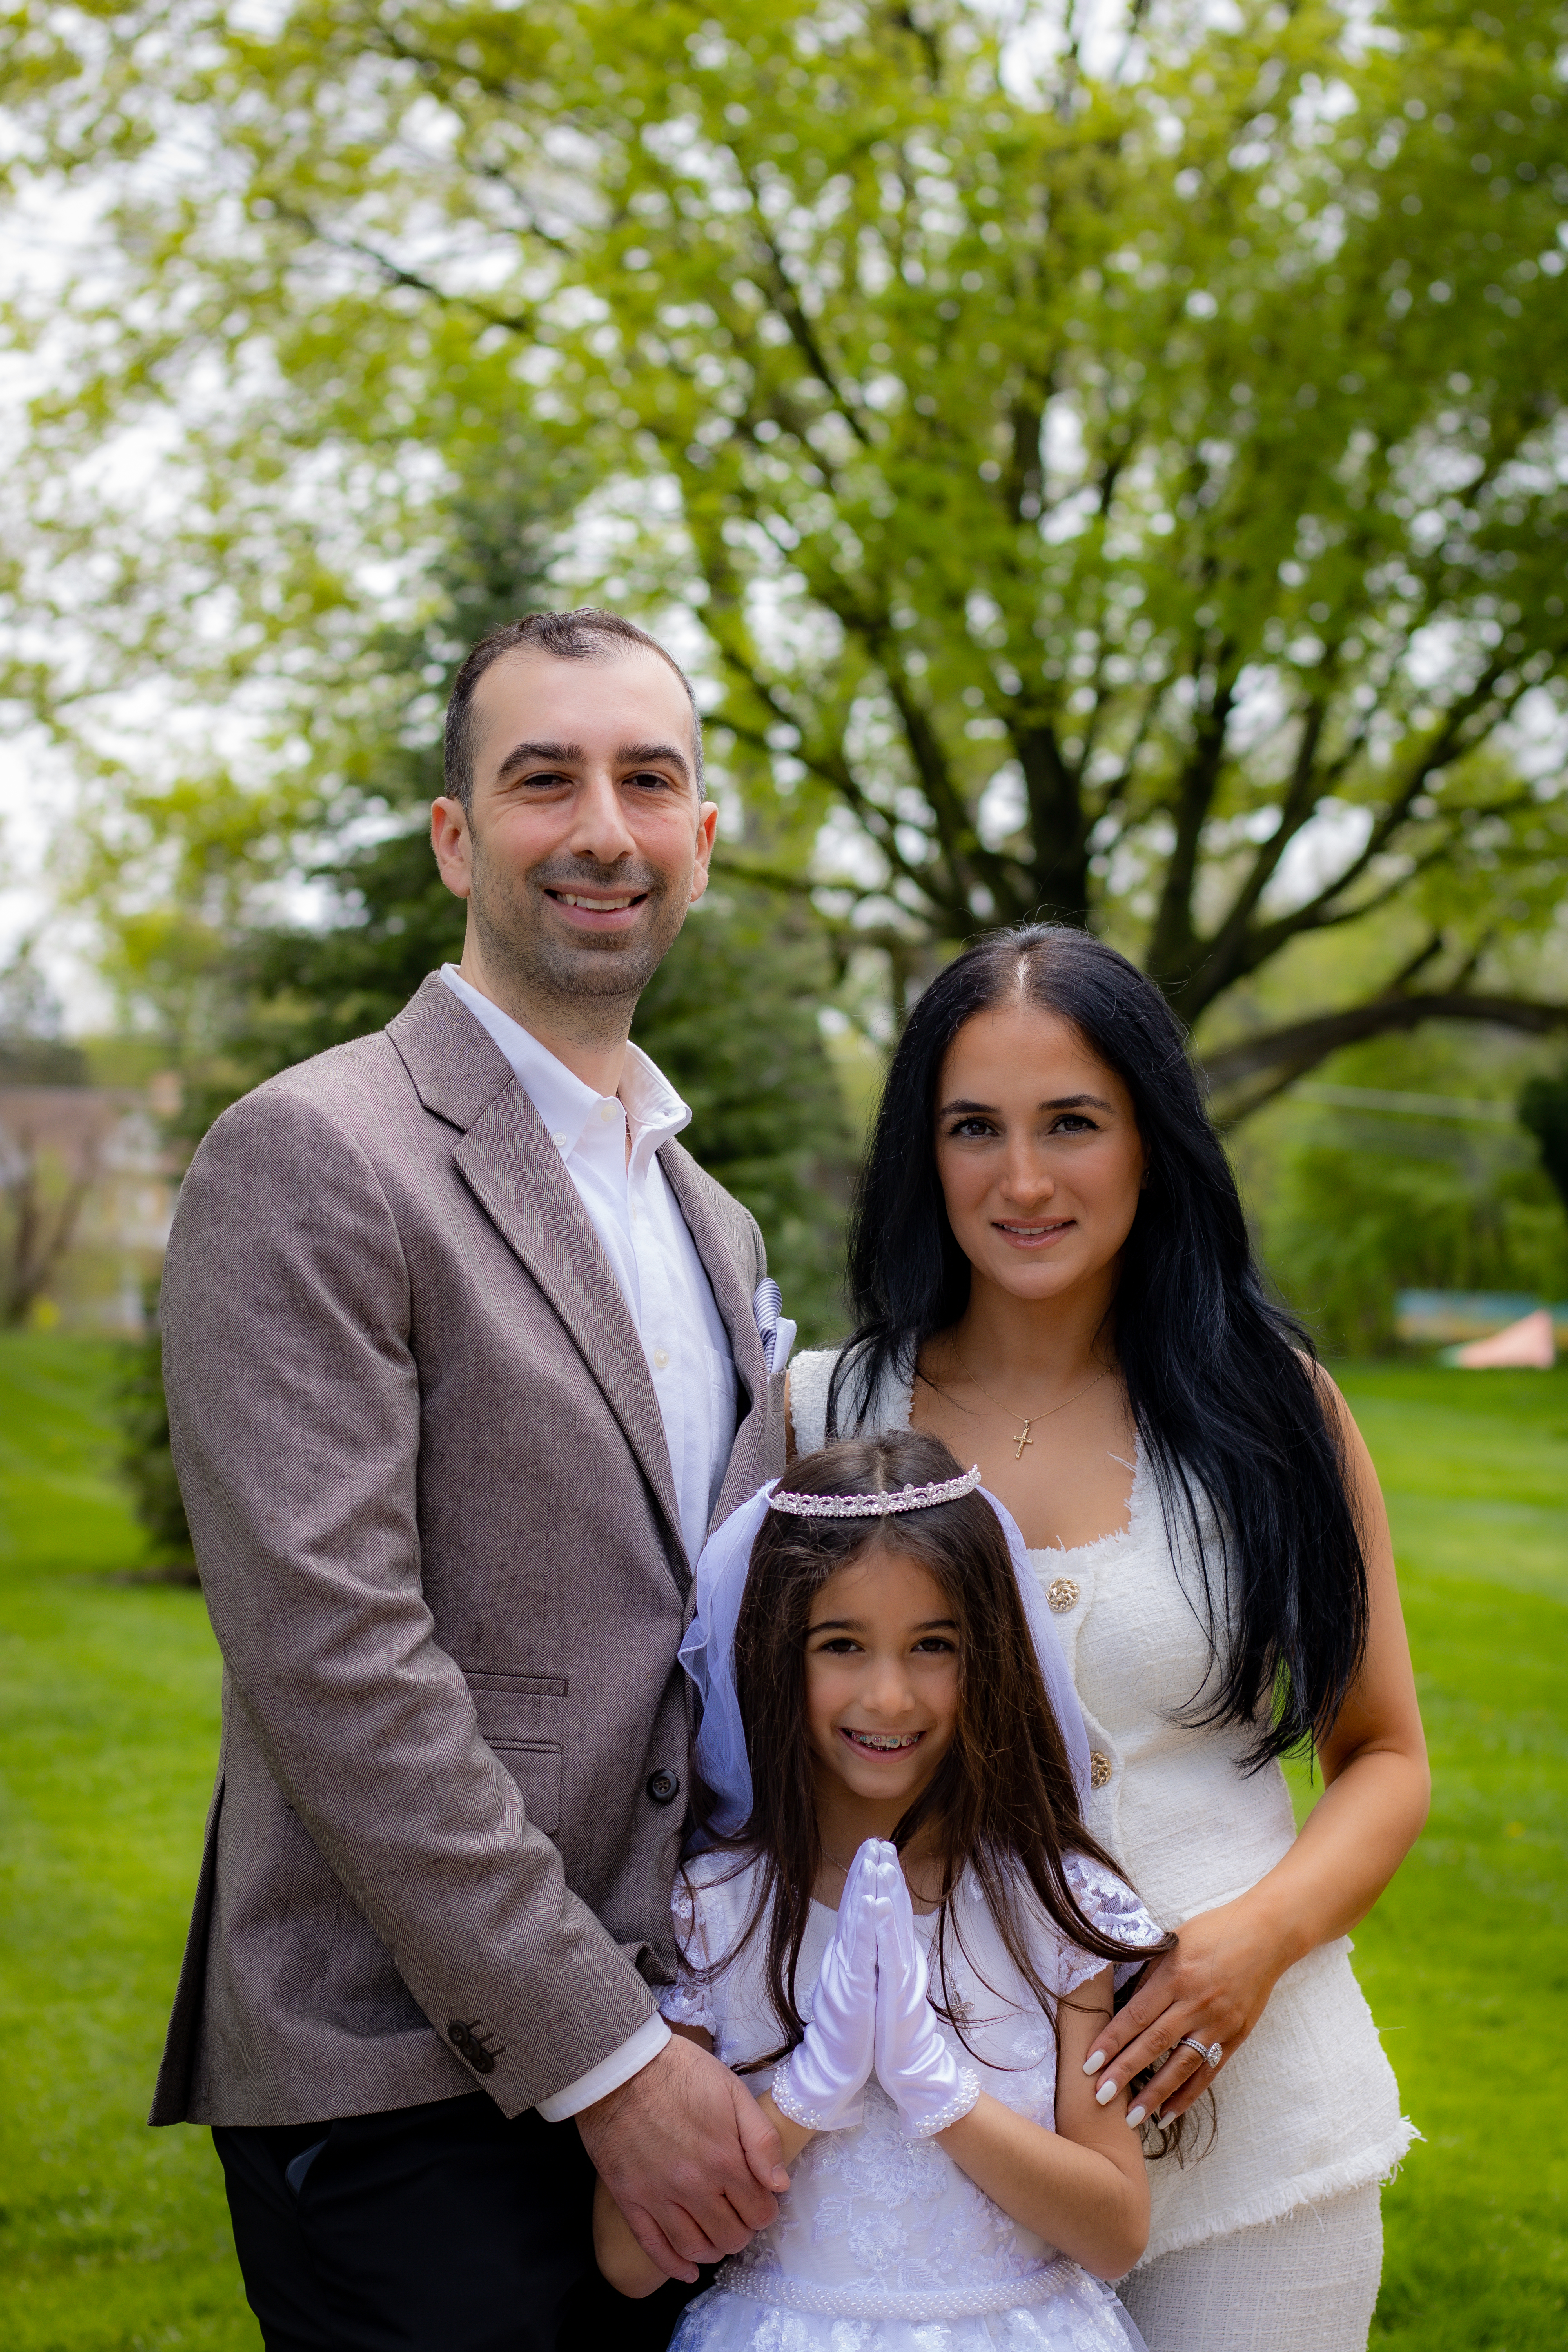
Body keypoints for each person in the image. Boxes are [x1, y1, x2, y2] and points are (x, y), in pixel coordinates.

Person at [152, 608, 797, 2351]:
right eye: (543, 780)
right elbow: (335, 1667)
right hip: (402, 2091)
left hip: (692, 2061)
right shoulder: (318, 1153)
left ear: (701, 841)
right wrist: (604, 2065)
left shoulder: (710, 1218)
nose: (603, 826)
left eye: (646, 780)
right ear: (455, 837)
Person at [787, 924, 1429, 2352]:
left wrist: (1252, 1946)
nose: (1023, 1180)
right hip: (922, 2192)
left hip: (1252, 2163)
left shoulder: (1280, 1412)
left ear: (1151, 1138)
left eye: (1072, 1123)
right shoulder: (823, 1417)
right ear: (921, 1153)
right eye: (975, 1129)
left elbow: (1384, 1754)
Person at [594, 1430, 1177, 2351]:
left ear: (986, 1652)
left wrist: (934, 2090)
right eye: (841, 1645)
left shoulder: (1050, 1905)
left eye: (931, 1645)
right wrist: (808, 2093)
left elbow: (1115, 2233)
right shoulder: (716, 1909)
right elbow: (629, 2254)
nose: (889, 1697)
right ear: (777, 1656)